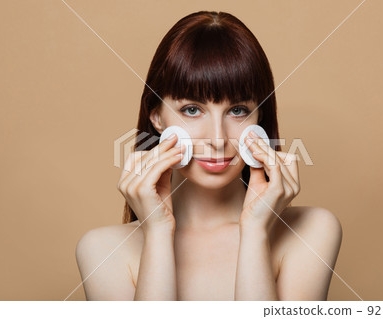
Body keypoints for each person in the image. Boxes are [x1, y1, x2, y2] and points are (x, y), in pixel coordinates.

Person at [75, 11, 342, 301]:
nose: (217, 139)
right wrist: (158, 232)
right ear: (157, 118)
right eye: (192, 109)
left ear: (259, 121)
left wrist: (255, 232)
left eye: (237, 110)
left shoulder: (313, 231)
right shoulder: (102, 250)